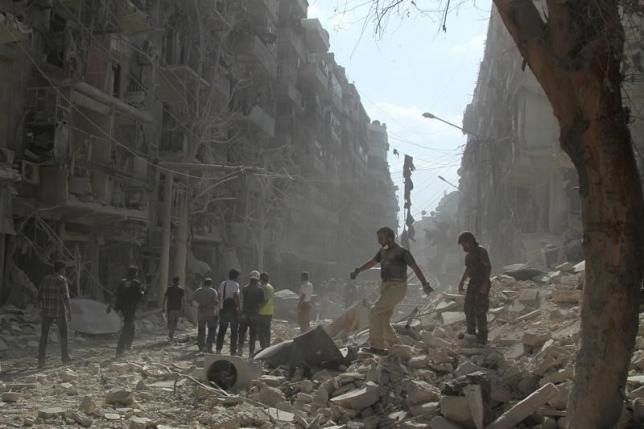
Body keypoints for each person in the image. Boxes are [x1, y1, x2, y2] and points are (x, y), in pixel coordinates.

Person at [351, 227, 433, 355]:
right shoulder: (382, 252)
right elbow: (372, 262)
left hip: (397, 287)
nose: (378, 241)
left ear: (389, 237)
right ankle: (396, 345)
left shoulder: (402, 252)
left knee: (374, 312)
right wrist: (358, 270)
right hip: (386, 287)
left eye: (381, 238)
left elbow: (415, 268)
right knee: (382, 318)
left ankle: (377, 347)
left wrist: (425, 284)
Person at [457, 231, 492, 345]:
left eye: (463, 244)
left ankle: (482, 337)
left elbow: (487, 268)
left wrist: (485, 284)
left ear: (469, 242)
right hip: (473, 283)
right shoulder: (469, 256)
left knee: (480, 310)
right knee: (468, 308)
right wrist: (461, 282)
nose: (463, 247)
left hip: (482, 281)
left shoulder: (481, 251)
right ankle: (471, 333)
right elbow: (468, 270)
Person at [37, 260, 72, 368]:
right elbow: (66, 297)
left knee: (44, 336)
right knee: (64, 335)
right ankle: (65, 358)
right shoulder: (62, 280)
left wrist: (42, 308)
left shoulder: (45, 279)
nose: (65, 271)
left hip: (47, 311)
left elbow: (39, 296)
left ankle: (41, 361)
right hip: (59, 311)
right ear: (61, 269)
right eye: (64, 269)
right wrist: (69, 311)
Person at [110, 265, 145, 358]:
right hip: (130, 308)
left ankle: (127, 346)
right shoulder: (136, 283)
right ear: (135, 273)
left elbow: (116, 294)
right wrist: (143, 292)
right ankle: (120, 350)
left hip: (122, 308)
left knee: (130, 327)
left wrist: (113, 306)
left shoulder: (122, 282)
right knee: (127, 328)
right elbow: (139, 296)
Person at [237, 270, 266, 357]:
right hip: (254, 314)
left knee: (242, 333)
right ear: (258, 279)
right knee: (252, 335)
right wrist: (258, 308)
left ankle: (240, 350)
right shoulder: (260, 290)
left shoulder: (245, 288)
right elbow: (263, 302)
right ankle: (251, 353)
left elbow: (244, 300)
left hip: (244, 314)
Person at [216, 269, 241, 355]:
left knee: (222, 330)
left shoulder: (223, 283)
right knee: (234, 332)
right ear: (236, 277)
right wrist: (238, 307)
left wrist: (220, 306)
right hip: (232, 310)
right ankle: (233, 351)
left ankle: (218, 350)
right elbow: (235, 296)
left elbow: (219, 296)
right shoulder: (235, 284)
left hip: (223, 309)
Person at [192, 277, 219, 352]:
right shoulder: (213, 291)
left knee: (201, 330)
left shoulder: (198, 291)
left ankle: (201, 347)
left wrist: (201, 307)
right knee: (211, 330)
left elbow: (194, 301)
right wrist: (207, 307)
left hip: (201, 314)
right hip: (211, 314)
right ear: (210, 284)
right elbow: (215, 302)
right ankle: (209, 346)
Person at [162, 276, 185, 341]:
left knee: (172, 322)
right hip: (176, 308)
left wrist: (163, 306)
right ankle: (171, 335)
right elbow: (183, 300)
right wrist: (183, 309)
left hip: (172, 308)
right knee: (173, 322)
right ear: (178, 282)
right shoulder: (180, 289)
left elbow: (165, 298)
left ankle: (171, 335)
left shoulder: (170, 289)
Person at [258, 272, 274, 349]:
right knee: (267, 331)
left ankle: (263, 348)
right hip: (270, 311)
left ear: (261, 279)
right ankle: (268, 347)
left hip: (263, 312)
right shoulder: (271, 287)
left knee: (261, 331)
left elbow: (266, 299)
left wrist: (259, 307)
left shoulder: (263, 287)